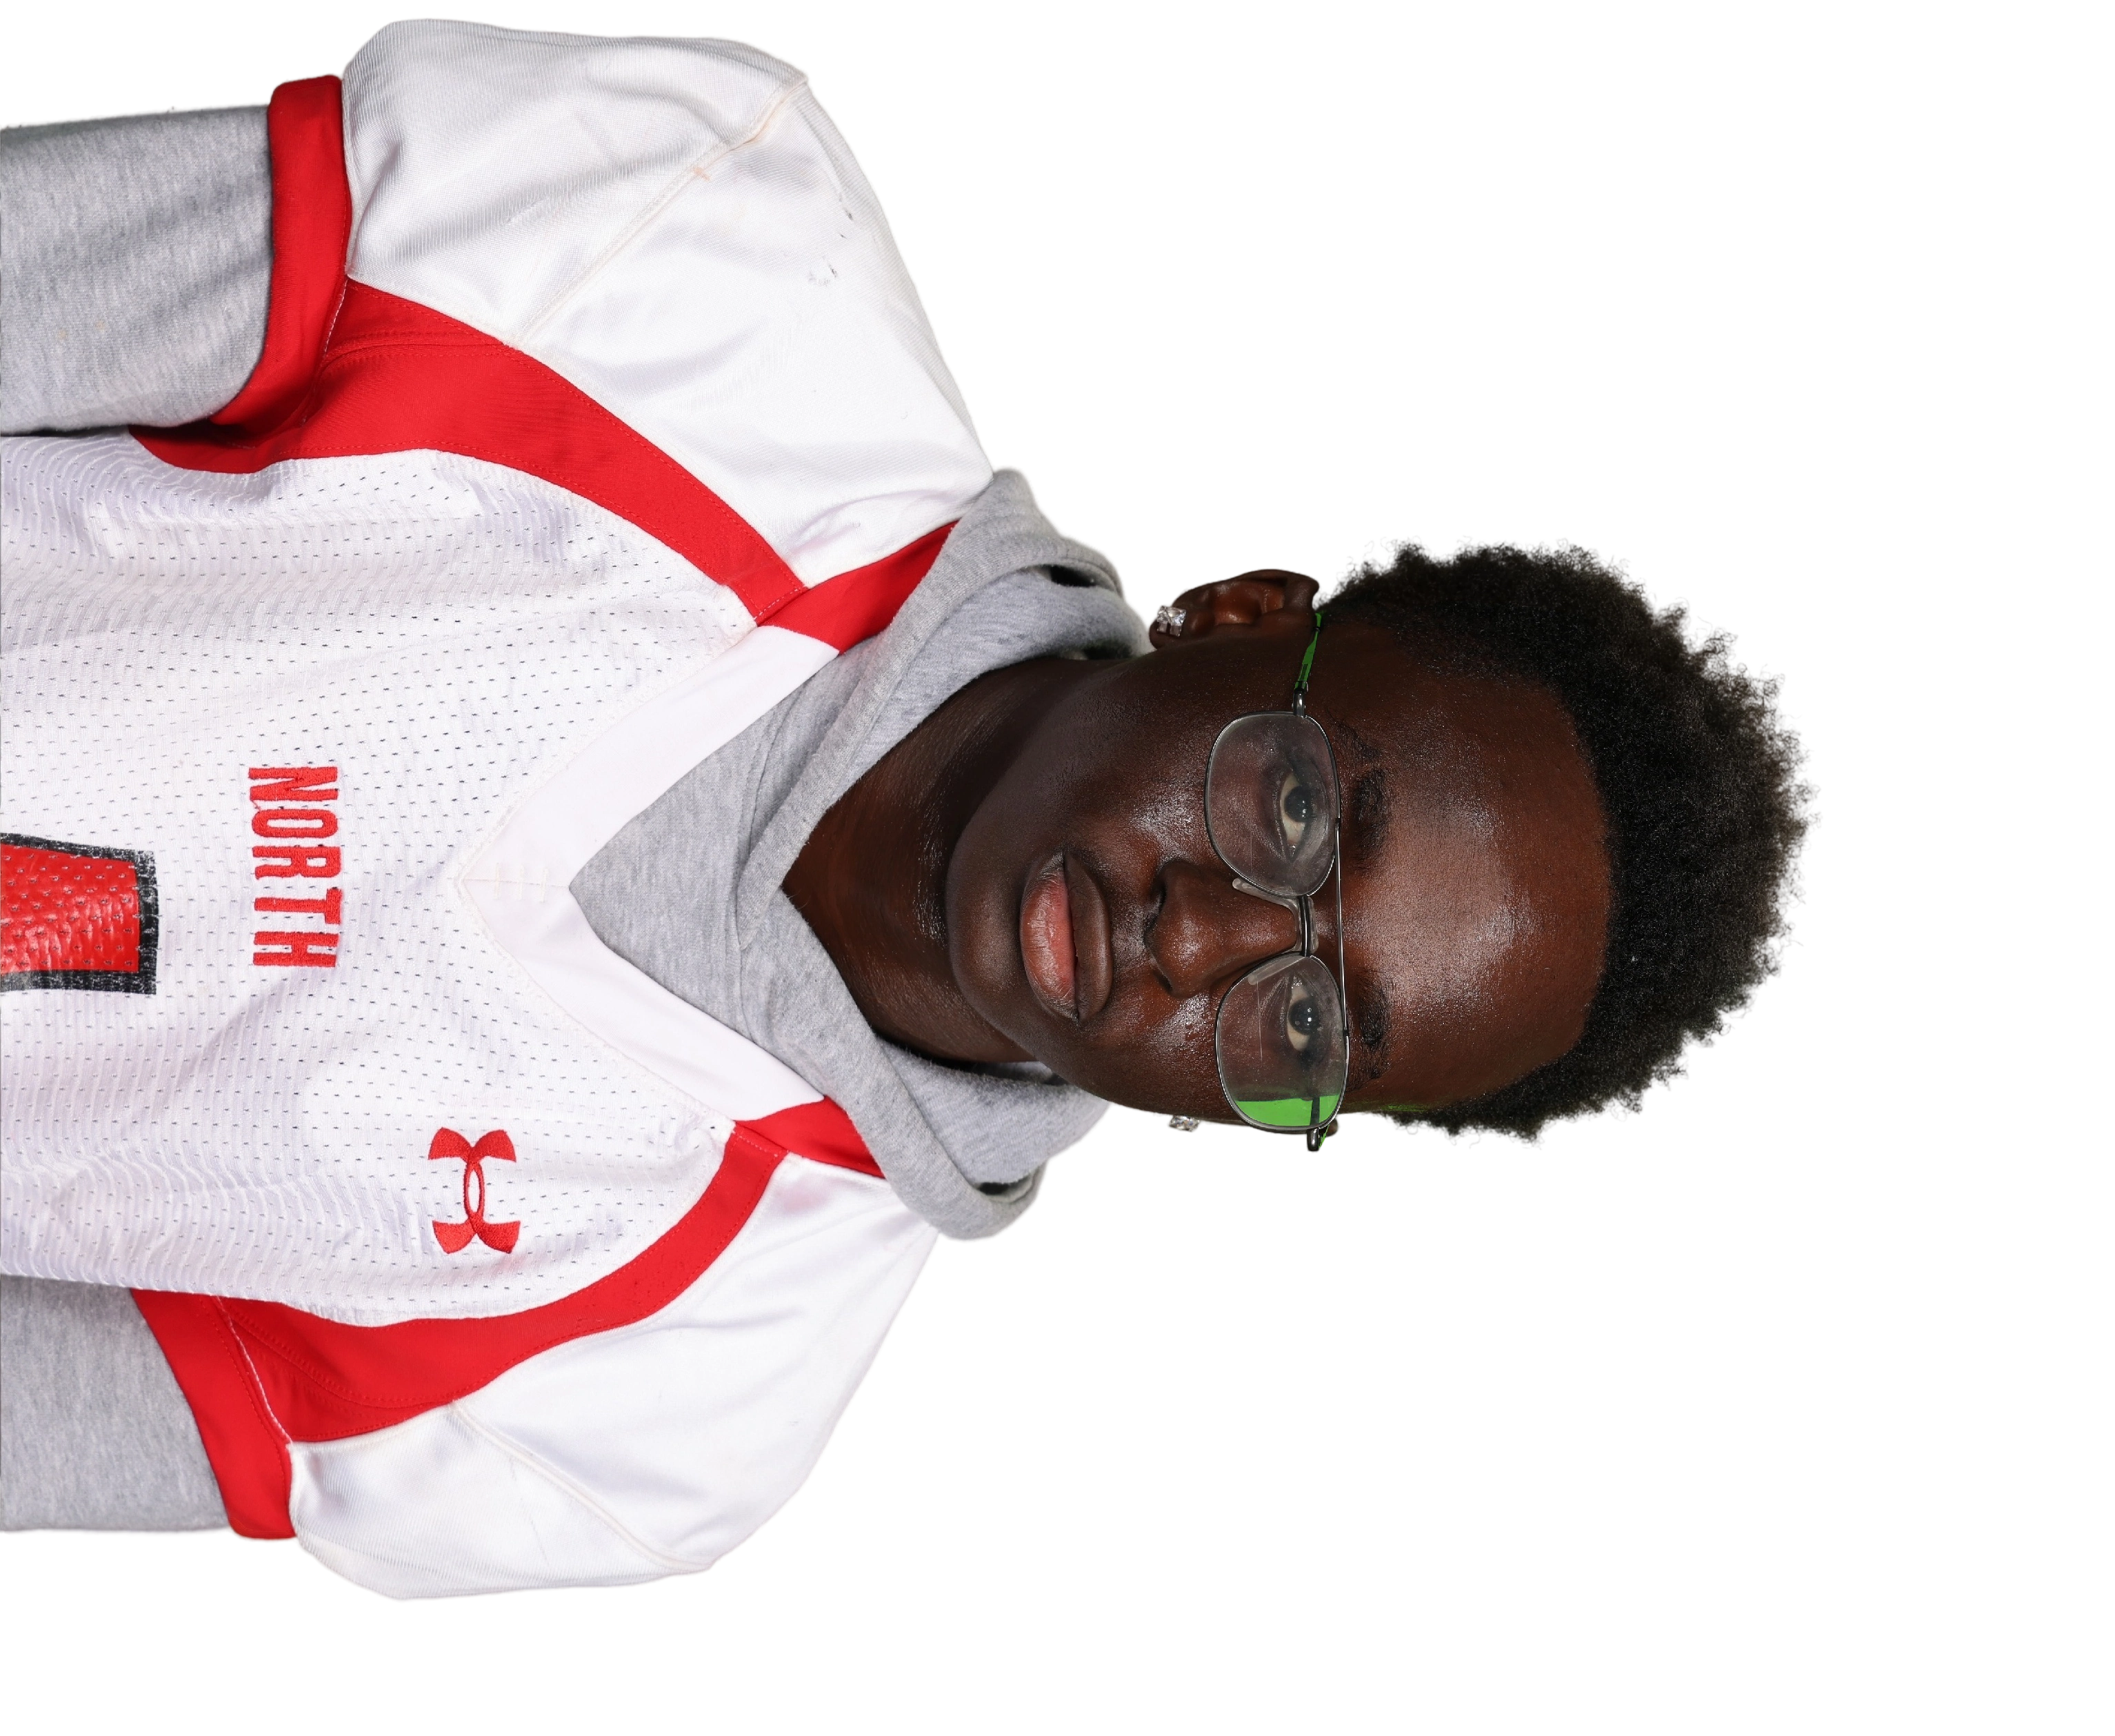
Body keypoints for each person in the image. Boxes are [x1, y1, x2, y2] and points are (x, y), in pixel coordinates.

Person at [0, 21, 1821, 1599]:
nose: (1200, 937)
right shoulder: (701, 259)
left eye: (1310, 1023)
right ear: (1249, 613)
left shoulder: (653, 1416)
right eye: (1295, 809)